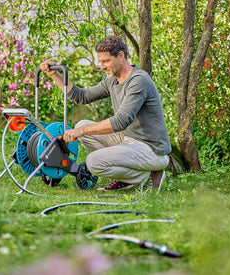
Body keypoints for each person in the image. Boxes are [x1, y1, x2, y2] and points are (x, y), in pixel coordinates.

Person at [39, 36, 171, 191]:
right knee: (82, 125)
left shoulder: (139, 80)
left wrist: (80, 132)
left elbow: (120, 121)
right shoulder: (113, 80)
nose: (102, 66)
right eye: (100, 62)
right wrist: (55, 75)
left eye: (106, 61)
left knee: (93, 162)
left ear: (121, 56)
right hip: (128, 139)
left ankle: (146, 175)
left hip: (151, 148)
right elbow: (81, 96)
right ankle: (127, 177)